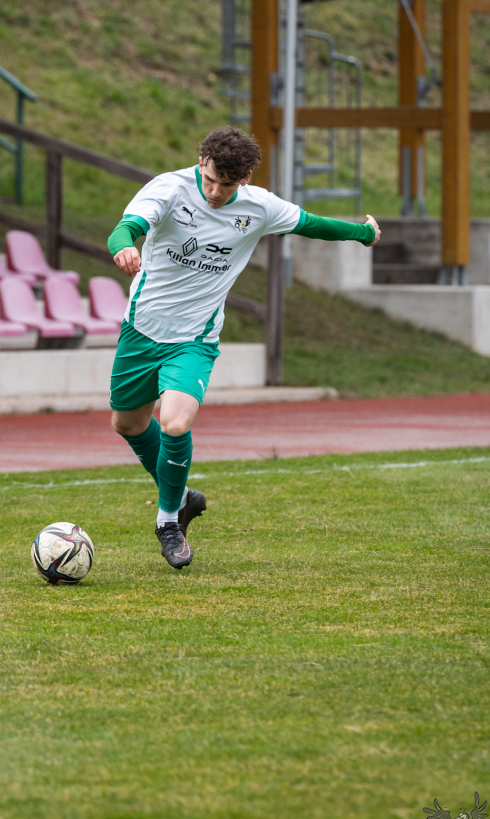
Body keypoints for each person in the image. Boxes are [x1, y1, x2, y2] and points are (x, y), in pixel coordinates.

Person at [107, 125, 381, 571]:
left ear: (246, 178)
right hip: (141, 329)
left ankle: (168, 521)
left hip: (194, 338)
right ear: (201, 162)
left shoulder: (259, 207)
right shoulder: (169, 189)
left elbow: (311, 224)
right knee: (127, 423)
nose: (215, 193)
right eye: (210, 180)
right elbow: (126, 228)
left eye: (227, 185)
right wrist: (124, 249)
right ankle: (181, 496)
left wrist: (362, 233)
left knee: (174, 423)